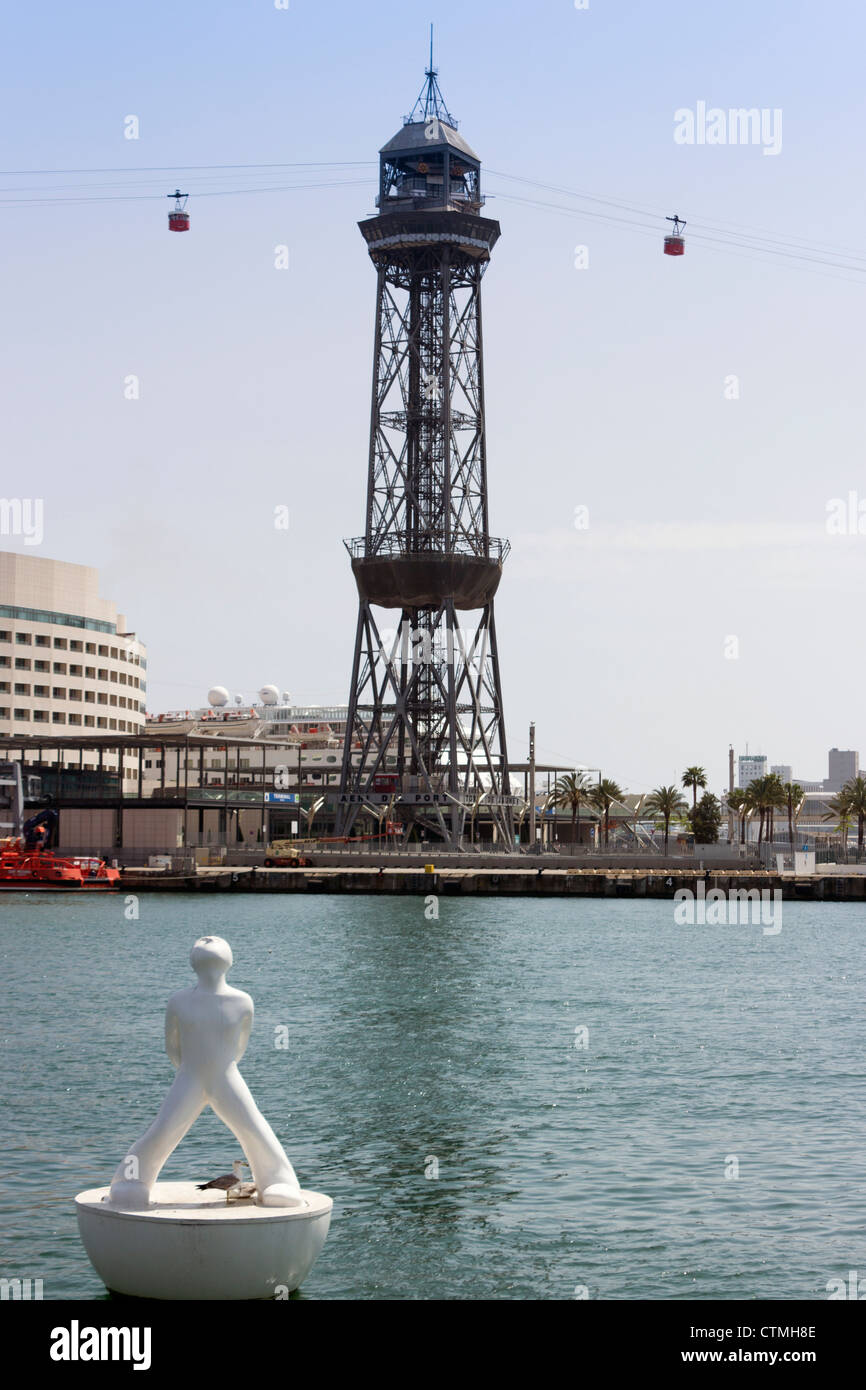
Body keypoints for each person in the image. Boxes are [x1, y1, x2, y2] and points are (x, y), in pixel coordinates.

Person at [109, 935, 302, 1210]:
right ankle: (131, 1181)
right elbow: (236, 1049)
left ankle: (277, 1181)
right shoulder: (190, 1001)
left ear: (192, 963)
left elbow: (173, 1048)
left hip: (208, 1075)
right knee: (169, 1129)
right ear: (230, 962)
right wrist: (199, 1074)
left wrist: (195, 1072)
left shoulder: (239, 1001)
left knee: (251, 1127)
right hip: (207, 1075)